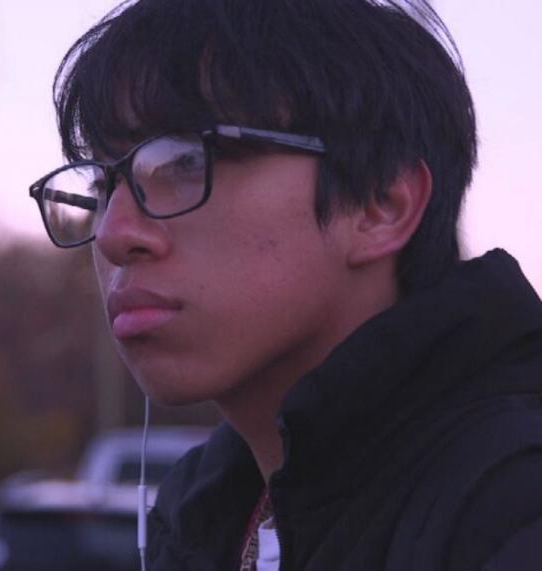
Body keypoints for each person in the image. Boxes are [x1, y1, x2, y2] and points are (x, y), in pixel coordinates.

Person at [27, 0, 542, 569]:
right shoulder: (206, 512)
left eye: (180, 161)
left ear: (379, 205)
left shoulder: (512, 505)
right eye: (103, 183)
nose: (112, 234)